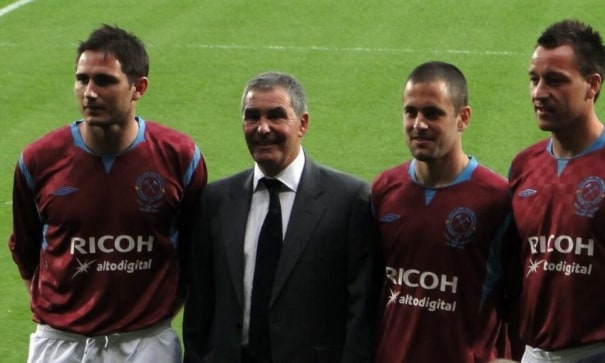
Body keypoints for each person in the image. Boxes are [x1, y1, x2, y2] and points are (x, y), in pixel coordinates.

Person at [8, 24, 208, 363]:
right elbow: (26, 250)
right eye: (82, 79)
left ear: (138, 87)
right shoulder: (38, 160)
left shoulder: (180, 158)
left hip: (145, 344)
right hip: (60, 345)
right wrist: (62, 317)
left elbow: (195, 253)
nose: (89, 92)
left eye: (104, 80)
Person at [182, 71, 381, 363]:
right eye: (252, 117)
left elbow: (361, 312)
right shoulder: (215, 201)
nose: (262, 128)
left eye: (276, 116)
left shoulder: (349, 200)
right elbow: (199, 310)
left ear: (302, 124)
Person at [509, 19, 605, 363]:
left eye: (555, 80)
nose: (539, 93)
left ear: (592, 85)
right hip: (534, 354)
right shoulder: (524, 166)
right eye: (534, 79)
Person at [372, 61, 519, 363]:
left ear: (462, 118)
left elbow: (522, 299)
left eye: (432, 113)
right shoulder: (384, 189)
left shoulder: (498, 199)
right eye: (410, 111)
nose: (418, 124)